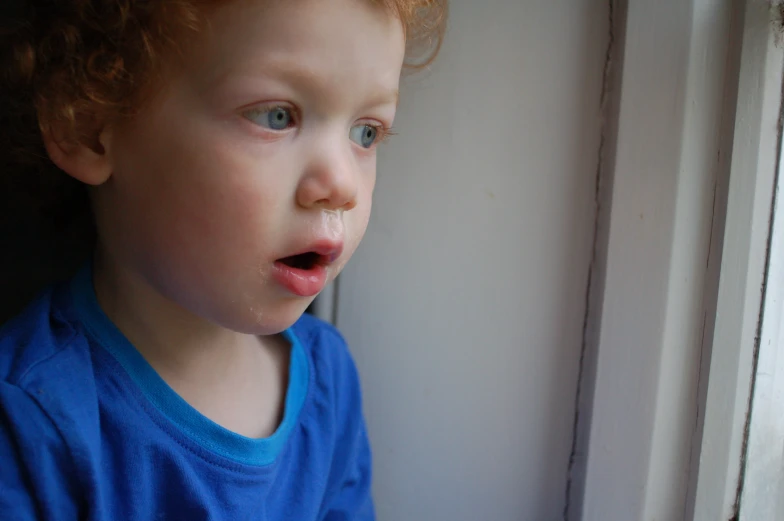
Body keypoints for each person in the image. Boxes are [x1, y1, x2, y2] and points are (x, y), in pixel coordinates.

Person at [0, 0, 447, 519]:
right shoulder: (30, 422)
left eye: (366, 132)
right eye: (277, 116)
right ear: (89, 128)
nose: (342, 185)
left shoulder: (328, 381)